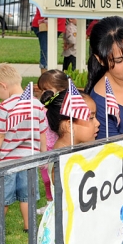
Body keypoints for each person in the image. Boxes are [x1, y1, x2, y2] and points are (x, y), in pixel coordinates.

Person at [24, 89, 99, 244]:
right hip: (63, 232)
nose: (97, 123)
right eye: (91, 117)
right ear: (68, 125)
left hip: (76, 226)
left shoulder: (81, 152)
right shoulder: (62, 158)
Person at [0, 64, 47, 235]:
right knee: (27, 196)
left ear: (3, 85)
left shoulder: (4, 107)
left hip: (7, 161)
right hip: (30, 159)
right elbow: (42, 132)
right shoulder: (36, 104)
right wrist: (43, 152)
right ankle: (29, 226)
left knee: (2, 197)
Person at [35, 69, 69, 215]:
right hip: (45, 147)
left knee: (58, 177)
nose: (44, 93)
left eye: (47, 90)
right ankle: (50, 202)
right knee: (46, 178)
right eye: (42, 90)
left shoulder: (63, 107)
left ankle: (60, 202)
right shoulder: (43, 107)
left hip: (59, 147)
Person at [31, 9, 66, 74]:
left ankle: (48, 76)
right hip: (45, 24)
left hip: (56, 24)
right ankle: (45, 78)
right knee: (46, 51)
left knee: (49, 51)